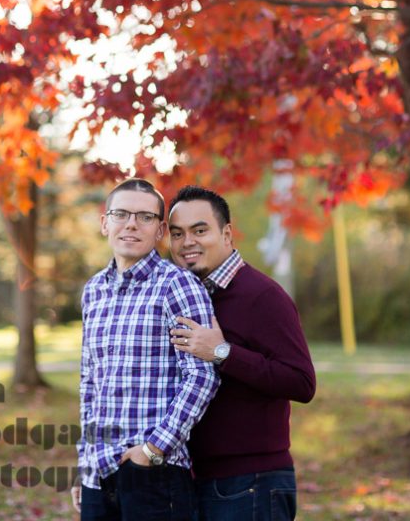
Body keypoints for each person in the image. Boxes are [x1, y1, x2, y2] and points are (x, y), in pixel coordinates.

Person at [73, 178, 220, 521]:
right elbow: (89, 382)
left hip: (156, 474)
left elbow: (202, 376)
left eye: (145, 217)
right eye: (121, 214)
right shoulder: (94, 290)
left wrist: (153, 450)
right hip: (99, 470)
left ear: (160, 230)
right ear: (104, 223)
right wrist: (84, 463)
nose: (131, 224)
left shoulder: (177, 285)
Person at [167, 186, 316, 521]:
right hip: (197, 477)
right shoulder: (188, 298)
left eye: (200, 230)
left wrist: (221, 352)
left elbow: (302, 382)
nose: (187, 242)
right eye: (177, 234)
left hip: (252, 482)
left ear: (227, 233)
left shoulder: (262, 295)